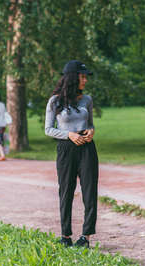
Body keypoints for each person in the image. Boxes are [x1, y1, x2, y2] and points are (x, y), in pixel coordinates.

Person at [44, 60, 98, 248]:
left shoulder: (87, 100)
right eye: (82, 77)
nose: (85, 80)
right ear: (72, 78)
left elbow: (90, 123)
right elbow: (48, 129)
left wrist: (91, 131)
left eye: (85, 77)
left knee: (90, 191)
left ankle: (86, 236)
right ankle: (65, 235)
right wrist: (69, 135)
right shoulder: (55, 101)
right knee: (66, 191)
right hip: (66, 149)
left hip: (87, 148)